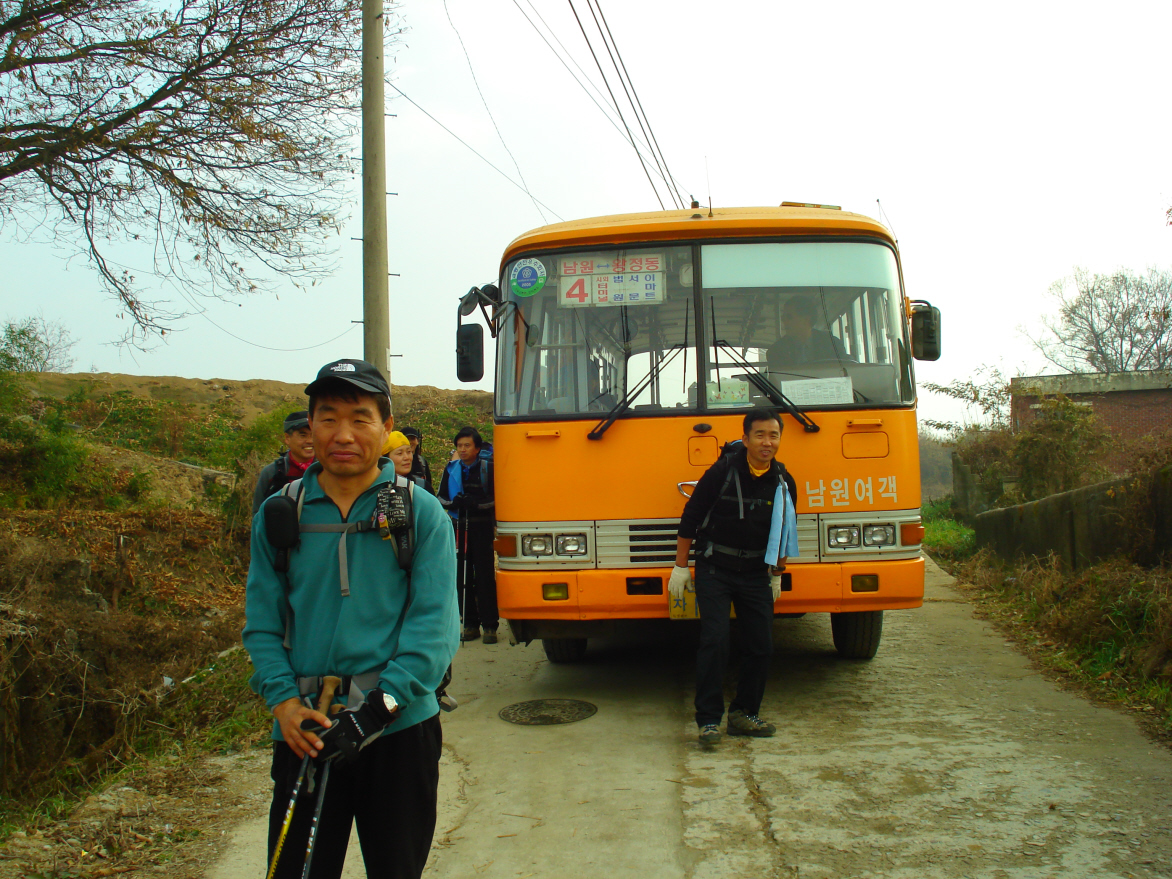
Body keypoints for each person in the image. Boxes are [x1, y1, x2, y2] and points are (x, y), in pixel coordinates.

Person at [243, 358, 459, 879]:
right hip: (307, 730)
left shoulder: (421, 512)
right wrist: (284, 704)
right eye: (328, 417)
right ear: (308, 426)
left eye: (360, 418)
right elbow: (263, 621)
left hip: (399, 731)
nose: (343, 434)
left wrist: (375, 712)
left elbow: (435, 627)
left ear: (386, 428)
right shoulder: (281, 513)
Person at [669, 408, 798, 745]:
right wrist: (680, 567)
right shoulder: (722, 471)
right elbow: (691, 516)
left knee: (761, 646)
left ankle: (744, 715)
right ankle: (709, 721)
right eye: (760, 435)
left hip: (756, 572)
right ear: (745, 439)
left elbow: (785, 529)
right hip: (716, 568)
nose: (767, 442)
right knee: (715, 640)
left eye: (773, 435)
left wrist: (777, 574)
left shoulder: (784, 480)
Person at [437, 426, 498, 644]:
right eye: (459, 446)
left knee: (484, 575)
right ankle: (470, 624)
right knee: (461, 576)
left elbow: (497, 498)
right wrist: (455, 503)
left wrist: (477, 505)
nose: (462, 450)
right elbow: (441, 497)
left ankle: (490, 625)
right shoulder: (451, 469)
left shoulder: (488, 468)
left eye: (467, 446)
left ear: (477, 448)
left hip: (481, 528)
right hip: (458, 527)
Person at [251, 410, 314, 516]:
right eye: (303, 435)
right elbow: (257, 515)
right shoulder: (272, 473)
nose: (310, 441)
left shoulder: (327, 470)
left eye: (313, 435)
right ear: (287, 438)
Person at [765, 296, 852, 370]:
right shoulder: (776, 351)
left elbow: (844, 373)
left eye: (789, 317)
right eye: (783, 317)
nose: (784, 321)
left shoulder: (832, 345)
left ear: (807, 319)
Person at [400, 426, 434, 494]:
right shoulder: (395, 461)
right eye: (406, 438)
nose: (410, 442)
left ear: (417, 441)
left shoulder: (422, 463)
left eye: (412, 439)